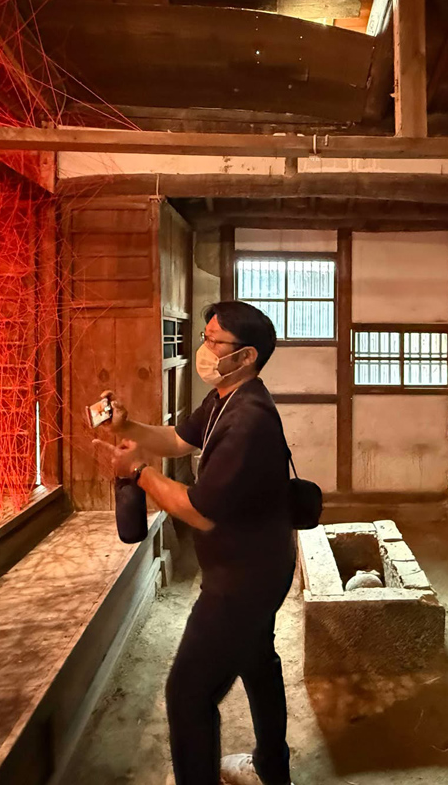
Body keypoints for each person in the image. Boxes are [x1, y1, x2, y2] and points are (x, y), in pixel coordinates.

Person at [98, 300, 295, 785]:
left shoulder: (248, 420)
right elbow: (177, 439)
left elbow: (200, 512)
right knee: (257, 661)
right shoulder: (226, 398)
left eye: (213, 341)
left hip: (242, 581)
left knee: (188, 693)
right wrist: (126, 427)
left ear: (245, 355)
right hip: (260, 563)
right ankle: (272, 769)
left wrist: (139, 473)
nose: (204, 349)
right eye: (205, 337)